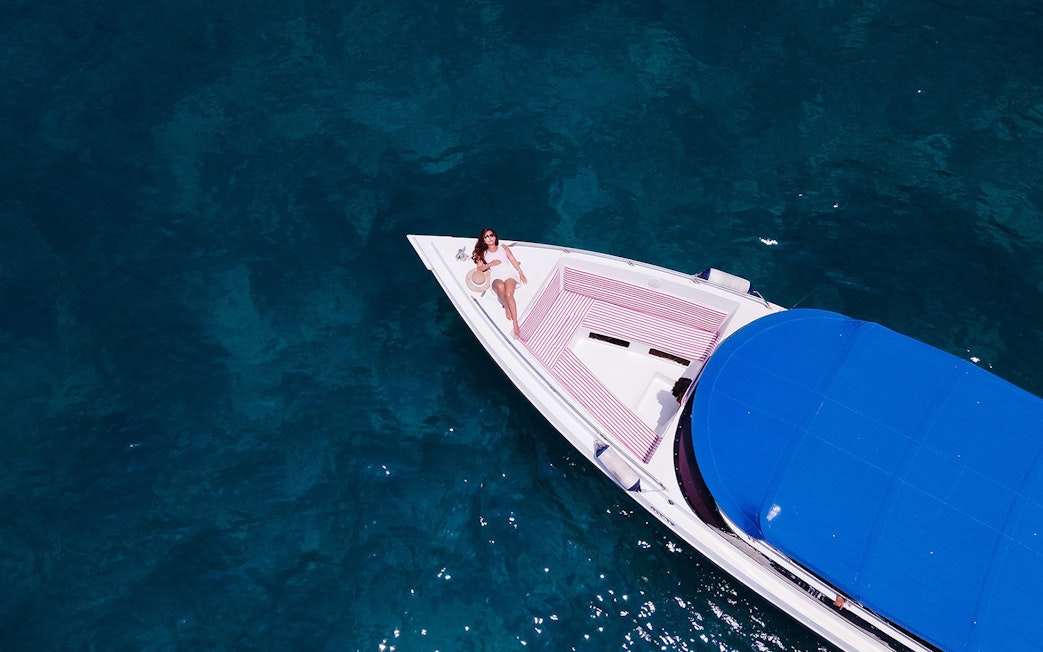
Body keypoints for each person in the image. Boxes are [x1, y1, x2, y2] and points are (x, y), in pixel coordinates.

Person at [472, 228, 527, 337]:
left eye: (491, 235)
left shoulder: (503, 247)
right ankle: (506, 307)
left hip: (508, 272)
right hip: (496, 274)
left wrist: (520, 272)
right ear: (483, 240)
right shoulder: (483, 253)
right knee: (501, 287)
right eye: (486, 237)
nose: (489, 238)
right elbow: (480, 268)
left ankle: (515, 322)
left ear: (495, 236)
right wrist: (490, 264)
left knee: (508, 294)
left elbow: (512, 259)